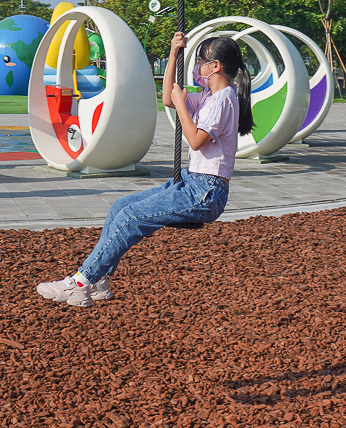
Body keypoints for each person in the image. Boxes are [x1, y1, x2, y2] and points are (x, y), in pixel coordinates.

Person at [36, 31, 254, 307]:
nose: (198, 65)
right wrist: (174, 53)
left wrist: (182, 107)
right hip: (192, 183)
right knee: (119, 207)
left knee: (131, 216)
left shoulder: (223, 100)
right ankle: (100, 279)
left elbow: (197, 141)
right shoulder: (210, 97)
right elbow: (167, 99)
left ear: (216, 66)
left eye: (201, 60)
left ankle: (80, 283)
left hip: (206, 191)